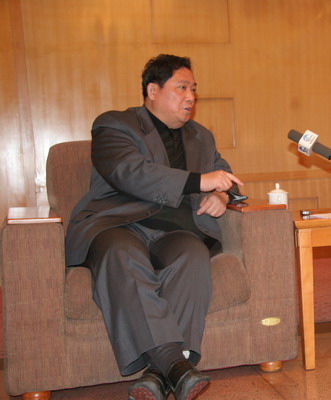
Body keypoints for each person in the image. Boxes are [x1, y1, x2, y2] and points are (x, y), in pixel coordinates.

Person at [65, 54, 244, 400]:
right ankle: (176, 365)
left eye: (194, 89)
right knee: (122, 255)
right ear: (153, 91)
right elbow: (130, 172)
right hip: (119, 224)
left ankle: (159, 376)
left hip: (176, 232)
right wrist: (200, 181)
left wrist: (222, 195)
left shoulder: (201, 136)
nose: (191, 97)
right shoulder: (114, 125)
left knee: (193, 255)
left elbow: (227, 178)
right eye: (182, 88)